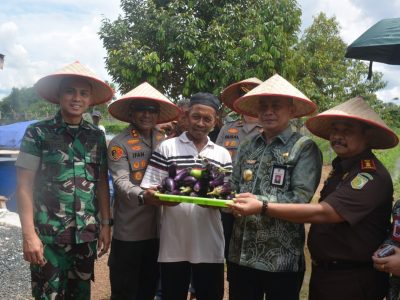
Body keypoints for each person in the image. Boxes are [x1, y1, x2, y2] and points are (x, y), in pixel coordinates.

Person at [230, 96, 399, 300]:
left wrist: (262, 206)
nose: (338, 136)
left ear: (367, 135)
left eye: (347, 130)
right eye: (335, 130)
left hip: (350, 278)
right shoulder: (341, 169)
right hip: (325, 273)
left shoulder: (368, 175)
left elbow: (325, 212)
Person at [15, 61, 114, 299]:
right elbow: (24, 186)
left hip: (85, 237)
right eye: (70, 91)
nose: (76, 98)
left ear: (90, 100)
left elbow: (101, 183)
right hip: (49, 238)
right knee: (47, 295)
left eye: (83, 93)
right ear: (59, 95)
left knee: (80, 295)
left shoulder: (96, 137)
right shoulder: (38, 133)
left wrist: (106, 225)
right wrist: (29, 235)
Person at [227, 73, 323, 300]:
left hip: (281, 259)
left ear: (291, 110)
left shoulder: (304, 148)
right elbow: (233, 186)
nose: (268, 111)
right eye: (264, 106)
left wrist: (260, 204)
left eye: (276, 106)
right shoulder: (248, 146)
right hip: (241, 253)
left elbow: (300, 199)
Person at [140, 92, 232, 300]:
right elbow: (150, 189)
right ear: (186, 116)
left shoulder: (222, 154)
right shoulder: (167, 148)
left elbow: (224, 196)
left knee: (210, 295)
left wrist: (218, 201)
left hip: (210, 243)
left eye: (207, 119)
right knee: (172, 294)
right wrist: (162, 197)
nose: (200, 123)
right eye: (196, 116)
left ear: (215, 122)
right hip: (174, 243)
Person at [107, 82, 180, 300]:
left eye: (152, 110)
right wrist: (143, 196)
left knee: (149, 287)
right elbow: (120, 181)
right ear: (131, 112)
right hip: (130, 229)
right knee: (125, 289)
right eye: (141, 109)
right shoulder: (119, 144)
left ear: (158, 114)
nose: (147, 115)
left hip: (159, 228)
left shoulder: (164, 140)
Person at [216, 78, 263, 281]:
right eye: (243, 97)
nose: (247, 102)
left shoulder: (268, 129)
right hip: (227, 201)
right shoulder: (228, 129)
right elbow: (214, 161)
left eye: (252, 98)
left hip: (257, 201)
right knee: (223, 250)